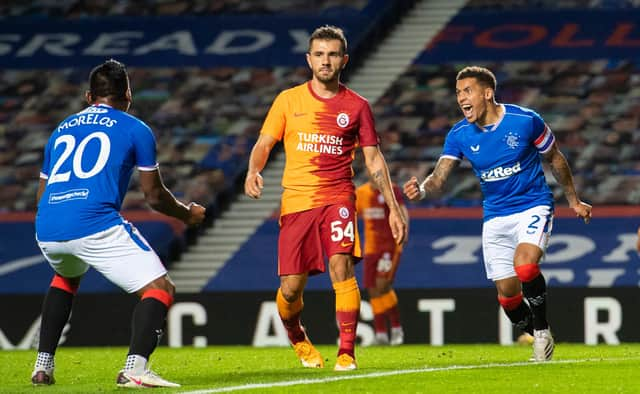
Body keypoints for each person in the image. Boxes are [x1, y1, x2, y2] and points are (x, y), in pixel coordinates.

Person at [31, 59, 206, 387]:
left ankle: (43, 366)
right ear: (128, 94)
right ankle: (135, 368)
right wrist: (187, 214)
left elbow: (41, 195)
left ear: (88, 96)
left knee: (66, 277)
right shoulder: (135, 128)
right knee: (160, 288)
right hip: (93, 223)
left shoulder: (61, 129)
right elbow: (154, 196)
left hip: (47, 226)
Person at [244, 25, 407, 371]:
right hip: (298, 202)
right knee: (290, 289)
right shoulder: (288, 100)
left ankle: (346, 352)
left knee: (341, 265)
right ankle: (298, 338)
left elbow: (374, 161)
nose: (326, 61)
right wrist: (252, 171)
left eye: (332, 54)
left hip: (338, 198)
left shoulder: (358, 106)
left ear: (344, 59)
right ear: (309, 59)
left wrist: (393, 208)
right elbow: (264, 143)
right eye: (319, 54)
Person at [403, 66, 592, 361]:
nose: (461, 98)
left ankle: (541, 334)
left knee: (525, 266)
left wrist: (574, 200)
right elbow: (439, 177)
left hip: (533, 205)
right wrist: (423, 190)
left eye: (468, 91)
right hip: (495, 216)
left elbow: (555, 158)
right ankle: (537, 331)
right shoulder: (460, 134)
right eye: (458, 93)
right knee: (508, 299)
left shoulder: (526, 121)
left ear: (487, 93)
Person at [355, 180, 408, 345]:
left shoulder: (391, 190)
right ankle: (381, 334)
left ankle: (397, 328)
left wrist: (404, 233)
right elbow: (351, 212)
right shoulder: (362, 192)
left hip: (389, 246)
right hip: (371, 248)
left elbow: (403, 212)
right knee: (372, 289)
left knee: (382, 284)